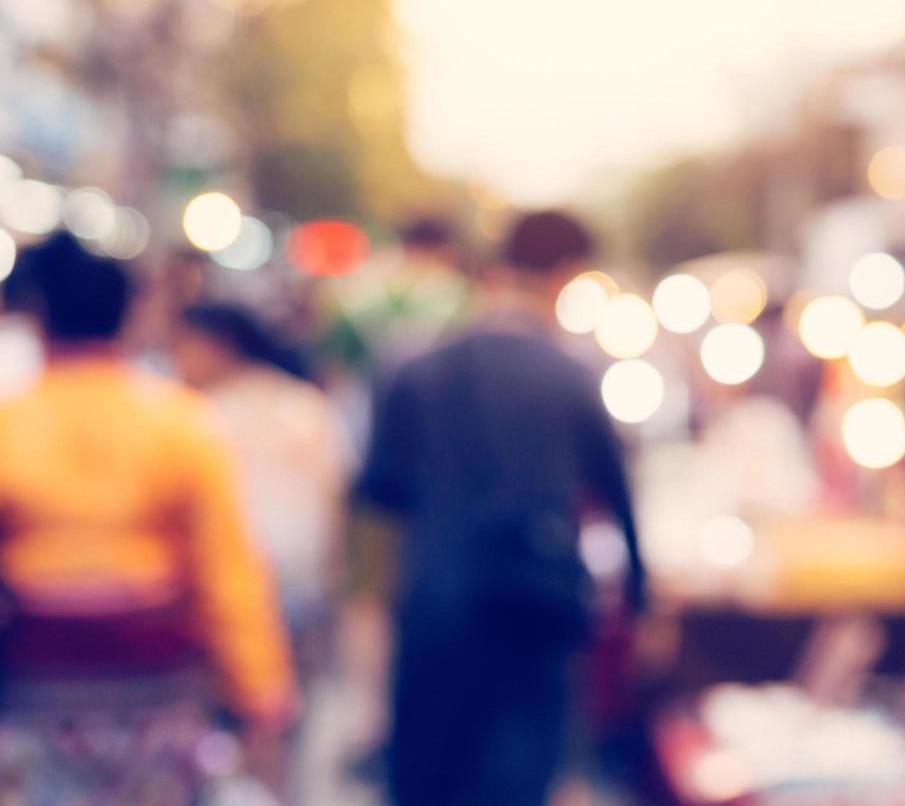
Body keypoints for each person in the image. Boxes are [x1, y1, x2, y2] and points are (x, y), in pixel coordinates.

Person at [355, 210, 645, 806]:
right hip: (537, 615)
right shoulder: (571, 377)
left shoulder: (412, 369)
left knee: (430, 782)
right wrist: (641, 603)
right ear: (567, 273)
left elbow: (378, 509)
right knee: (521, 784)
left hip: (434, 613)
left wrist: (366, 640)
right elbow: (616, 501)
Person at [0, 233, 295, 802]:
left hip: (37, 690)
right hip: (157, 692)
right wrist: (261, 692)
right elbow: (227, 569)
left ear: (40, 321)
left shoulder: (11, 425)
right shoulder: (180, 424)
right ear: (129, 320)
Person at [171, 303, 351, 659]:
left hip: (233, 590)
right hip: (306, 585)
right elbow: (340, 497)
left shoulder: (198, 414)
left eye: (179, 345)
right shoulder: (307, 403)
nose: (174, 359)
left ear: (216, 346)